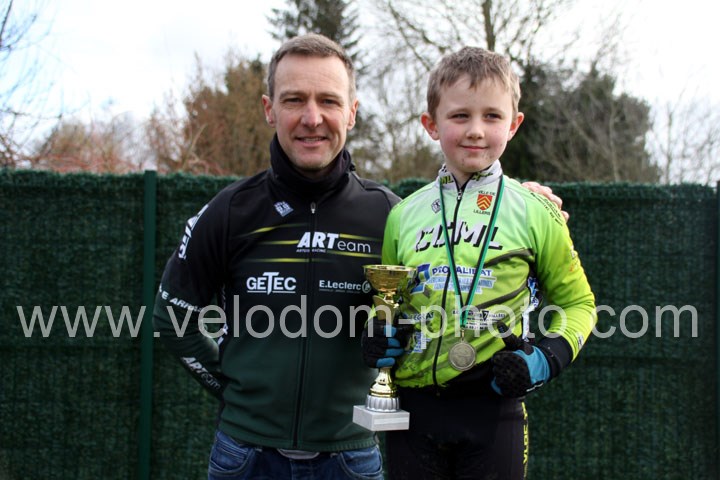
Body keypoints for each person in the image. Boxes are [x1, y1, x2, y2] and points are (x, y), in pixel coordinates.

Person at [154, 34, 568, 480]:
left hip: (351, 459)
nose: (312, 118)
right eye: (294, 100)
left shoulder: (393, 215)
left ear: (352, 111)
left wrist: (527, 202)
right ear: (269, 109)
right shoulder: (229, 211)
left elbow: (447, 289)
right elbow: (172, 319)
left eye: (329, 101)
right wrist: (234, 394)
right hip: (243, 457)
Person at [361, 47, 596, 480]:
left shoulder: (537, 211)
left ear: (514, 124)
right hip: (414, 412)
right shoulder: (404, 215)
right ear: (431, 124)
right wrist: (380, 334)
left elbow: (580, 305)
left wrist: (545, 360)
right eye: (459, 116)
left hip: (494, 409)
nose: (475, 130)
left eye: (492, 116)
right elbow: (389, 304)